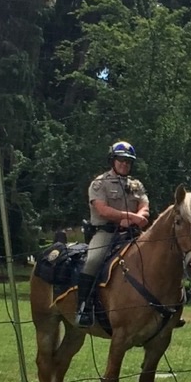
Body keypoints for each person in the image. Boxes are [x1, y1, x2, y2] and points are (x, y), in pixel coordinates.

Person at [76, 140, 150, 327]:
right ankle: (84, 307)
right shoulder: (99, 183)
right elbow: (102, 210)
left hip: (133, 233)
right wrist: (129, 216)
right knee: (93, 261)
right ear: (112, 160)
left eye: (128, 161)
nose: (125, 164)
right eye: (121, 160)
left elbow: (144, 207)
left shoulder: (136, 185)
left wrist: (138, 217)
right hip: (106, 233)